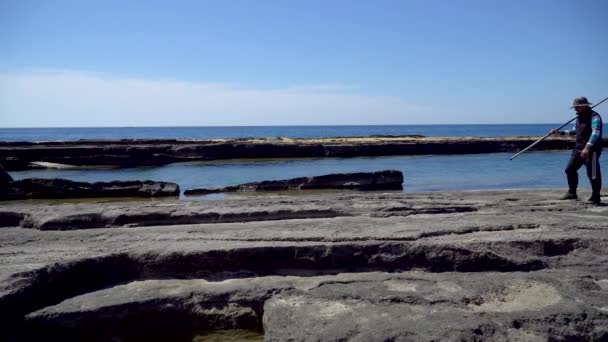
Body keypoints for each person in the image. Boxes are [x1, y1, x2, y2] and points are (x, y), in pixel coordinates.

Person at [550, 96, 603, 204]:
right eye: (575, 107)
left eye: (577, 107)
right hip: (578, 149)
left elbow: (595, 133)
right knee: (570, 169)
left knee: (593, 174)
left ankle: (596, 196)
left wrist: (587, 147)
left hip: (592, 151)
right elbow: (574, 132)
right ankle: (572, 193)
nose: (575, 109)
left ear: (584, 106)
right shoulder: (579, 118)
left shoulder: (595, 117)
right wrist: (559, 133)